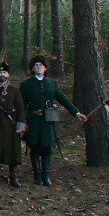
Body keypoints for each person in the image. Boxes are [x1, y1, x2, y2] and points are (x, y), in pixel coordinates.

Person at [20, 55, 87, 186]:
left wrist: (76, 112)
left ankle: (46, 176)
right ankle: (37, 176)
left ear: (45, 68)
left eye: (41, 65)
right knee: (34, 146)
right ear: (32, 69)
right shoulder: (26, 84)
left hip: (50, 117)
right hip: (33, 118)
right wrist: (22, 121)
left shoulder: (52, 83)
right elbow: (21, 105)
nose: (38, 66)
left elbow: (63, 99)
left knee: (47, 147)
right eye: (35, 65)